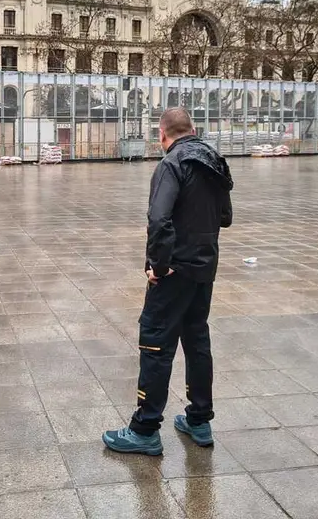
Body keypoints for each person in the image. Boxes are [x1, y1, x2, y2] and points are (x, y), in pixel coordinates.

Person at [103, 107, 233, 456]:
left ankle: (145, 427)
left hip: (174, 271)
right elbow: (226, 217)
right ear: (193, 129)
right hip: (205, 268)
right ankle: (199, 419)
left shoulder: (172, 164)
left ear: (162, 135)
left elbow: (159, 220)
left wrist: (158, 267)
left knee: (156, 342)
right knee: (197, 339)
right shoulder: (215, 162)